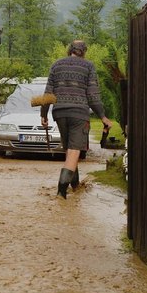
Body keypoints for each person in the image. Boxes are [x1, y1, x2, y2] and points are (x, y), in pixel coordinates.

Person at [40, 40, 113, 198]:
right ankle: (61, 192)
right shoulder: (88, 66)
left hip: (59, 112)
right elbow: (93, 95)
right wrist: (102, 116)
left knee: (70, 151)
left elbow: (48, 93)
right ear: (84, 51)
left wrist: (43, 115)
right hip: (79, 113)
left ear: (69, 50)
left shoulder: (56, 65)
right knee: (74, 151)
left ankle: (75, 187)